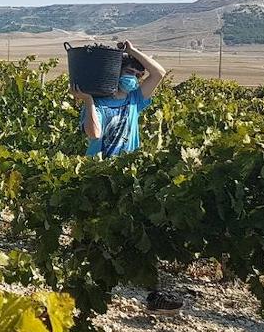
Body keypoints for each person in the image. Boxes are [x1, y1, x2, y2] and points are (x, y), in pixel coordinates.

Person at [70, 40, 183, 315]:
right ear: (116, 74)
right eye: (131, 73)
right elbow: (94, 135)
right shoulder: (98, 103)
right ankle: (76, 294)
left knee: (142, 236)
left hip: (132, 178)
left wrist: (131, 51)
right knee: (93, 238)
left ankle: (153, 295)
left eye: (137, 75)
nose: (136, 78)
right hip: (102, 176)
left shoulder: (135, 100)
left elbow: (160, 73)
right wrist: (88, 101)